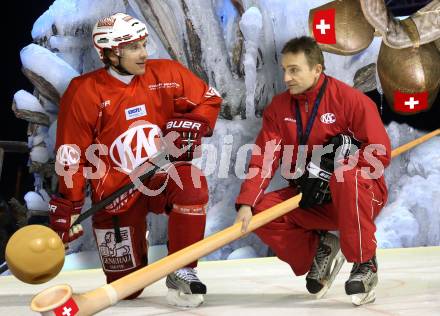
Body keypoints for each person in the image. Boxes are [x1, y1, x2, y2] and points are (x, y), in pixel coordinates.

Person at [48, 12, 222, 307]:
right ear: (112, 53)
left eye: (143, 44)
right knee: (127, 289)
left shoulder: (166, 74)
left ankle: (183, 268)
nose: (144, 53)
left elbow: (209, 99)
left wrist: (193, 124)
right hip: (115, 193)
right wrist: (70, 205)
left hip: (160, 173)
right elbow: (71, 155)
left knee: (192, 183)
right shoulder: (84, 92)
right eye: (134, 47)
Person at [235, 36, 391, 306]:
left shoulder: (350, 101)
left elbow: (380, 152)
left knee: (347, 177)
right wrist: (247, 202)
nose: (286, 77)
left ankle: (365, 263)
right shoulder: (279, 108)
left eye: (294, 69)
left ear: (317, 69)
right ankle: (320, 249)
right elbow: (265, 157)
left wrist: (334, 170)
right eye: (284, 69)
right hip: (313, 199)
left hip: (361, 196)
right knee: (261, 212)